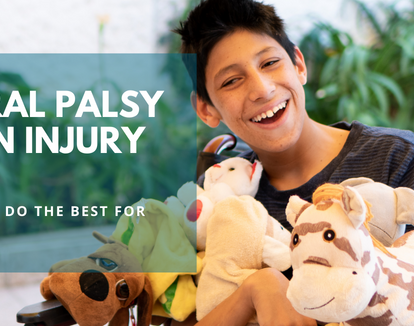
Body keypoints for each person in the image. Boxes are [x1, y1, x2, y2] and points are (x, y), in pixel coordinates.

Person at [173, 0, 414, 325]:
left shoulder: (398, 158)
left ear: (298, 64)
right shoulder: (220, 194)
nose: (262, 89)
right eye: (231, 81)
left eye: (270, 62)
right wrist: (254, 290)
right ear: (206, 109)